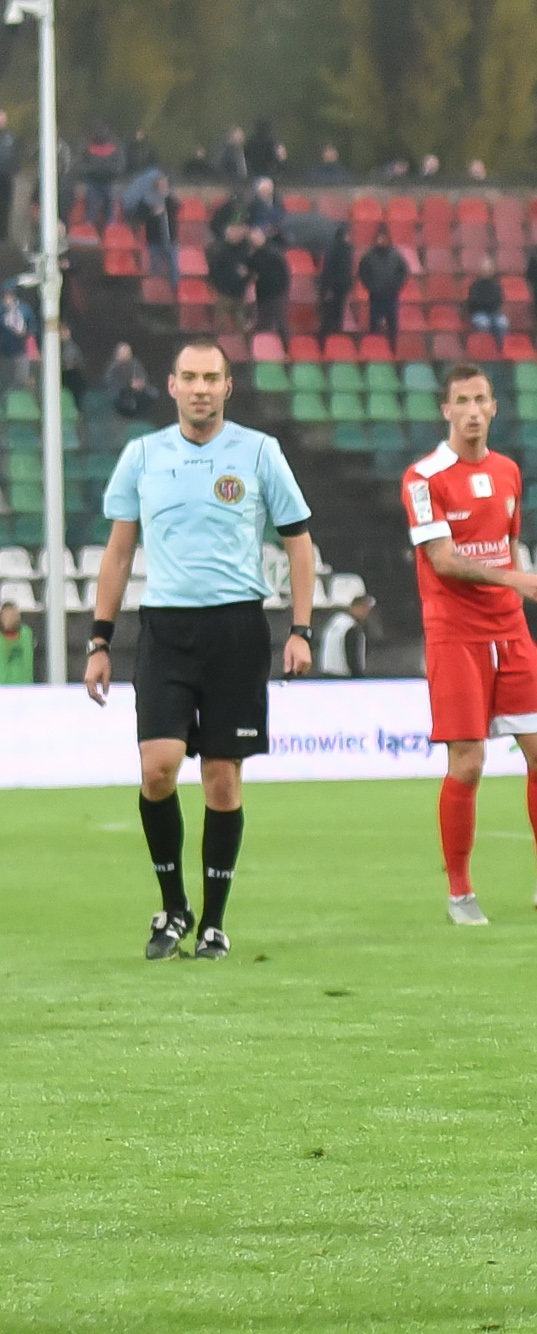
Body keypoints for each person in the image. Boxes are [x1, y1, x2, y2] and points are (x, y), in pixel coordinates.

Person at [85, 339, 317, 962]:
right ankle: (174, 906)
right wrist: (99, 640)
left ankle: (213, 922)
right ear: (171, 385)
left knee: (221, 777)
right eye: (189, 377)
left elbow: (298, 542)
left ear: (227, 387)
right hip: (166, 629)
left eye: (211, 377)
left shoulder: (259, 452)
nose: (200, 388)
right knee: (157, 768)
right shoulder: (142, 456)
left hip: (237, 630)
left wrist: (301, 629)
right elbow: (118, 553)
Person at [403, 364, 537, 927]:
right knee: (468, 763)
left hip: (509, 632)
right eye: (461, 401)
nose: (472, 411)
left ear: (494, 407)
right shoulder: (423, 478)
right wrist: (516, 580)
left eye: (480, 400)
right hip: (455, 635)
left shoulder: (508, 472)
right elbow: (442, 560)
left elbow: (508, 543)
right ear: (446, 410)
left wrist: (514, 589)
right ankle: (460, 893)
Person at [122, 167, 179, 286]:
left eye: (164, 182)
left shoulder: (169, 198)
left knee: (174, 268)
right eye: (160, 183)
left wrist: (167, 196)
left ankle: (175, 289)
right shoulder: (146, 200)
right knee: (155, 268)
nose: (163, 185)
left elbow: (176, 208)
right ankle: (155, 290)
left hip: (170, 239)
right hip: (154, 240)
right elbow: (140, 216)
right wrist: (152, 213)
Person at [356, 225, 408, 350]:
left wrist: (397, 286)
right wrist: (369, 286)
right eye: (379, 238)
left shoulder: (396, 255)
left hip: (392, 297)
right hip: (376, 297)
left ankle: (393, 351)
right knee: (374, 327)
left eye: (384, 238)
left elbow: (404, 272)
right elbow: (362, 272)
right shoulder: (369, 255)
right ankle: (374, 351)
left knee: (393, 327)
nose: (381, 240)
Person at [80, 125, 126, 232]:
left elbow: (119, 165)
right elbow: (82, 165)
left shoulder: (111, 148)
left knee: (107, 207)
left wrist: (94, 170)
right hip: (97, 182)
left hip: (106, 182)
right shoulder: (89, 149)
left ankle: (108, 228)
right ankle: (89, 228)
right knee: (93, 207)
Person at [248, 228, 291, 339]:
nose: (255, 240)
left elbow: (281, 274)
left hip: (276, 292)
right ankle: (262, 344)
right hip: (263, 294)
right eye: (253, 238)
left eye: (257, 237)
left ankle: (286, 345)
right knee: (263, 323)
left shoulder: (273, 253)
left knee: (279, 322)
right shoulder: (256, 254)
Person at [318, 593, 374, 677]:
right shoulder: (351, 627)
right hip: (343, 678)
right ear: (354, 607)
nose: (366, 612)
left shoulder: (335, 621)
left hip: (327, 675)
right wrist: (358, 677)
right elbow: (354, 660)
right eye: (363, 607)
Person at [317, 225, 354, 340]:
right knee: (330, 318)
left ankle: (333, 341)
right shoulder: (338, 249)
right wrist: (327, 288)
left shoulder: (345, 249)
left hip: (340, 288)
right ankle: (326, 341)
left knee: (335, 318)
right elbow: (329, 270)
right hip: (334, 288)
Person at [106, 341, 158, 418]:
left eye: (128, 352)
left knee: (153, 393)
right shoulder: (113, 368)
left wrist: (140, 383)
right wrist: (129, 386)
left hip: (136, 392)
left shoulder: (135, 364)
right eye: (123, 352)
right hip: (120, 394)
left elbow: (142, 377)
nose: (126, 354)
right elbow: (112, 385)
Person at [465, 256, 508, 347]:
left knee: (503, 323)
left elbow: (498, 301)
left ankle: (499, 348)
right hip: (479, 313)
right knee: (484, 324)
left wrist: (487, 303)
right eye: (485, 268)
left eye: (489, 268)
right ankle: (486, 347)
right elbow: (473, 302)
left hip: (494, 313)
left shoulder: (496, 286)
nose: (487, 270)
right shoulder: (475, 285)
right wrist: (487, 303)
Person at [0, 285, 34, 390]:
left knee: (21, 379)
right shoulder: (1, 311)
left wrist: (25, 333)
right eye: (4, 296)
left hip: (21, 350)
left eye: (9, 295)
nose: (6, 299)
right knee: (6, 379)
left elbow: (32, 327)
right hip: (5, 352)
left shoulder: (24, 309)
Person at [0, 599, 31, 682]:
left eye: (13, 614)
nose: (10, 618)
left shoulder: (25, 634)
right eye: (7, 615)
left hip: (24, 686)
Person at [0, 110, 20, 241]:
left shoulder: (10, 137)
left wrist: (14, 170)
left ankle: (3, 236)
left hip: (7, 178)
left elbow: (16, 154)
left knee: (6, 207)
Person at [59, 324, 86, 415]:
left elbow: (69, 365)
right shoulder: (61, 347)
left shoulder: (71, 348)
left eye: (63, 332)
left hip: (72, 378)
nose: (61, 335)